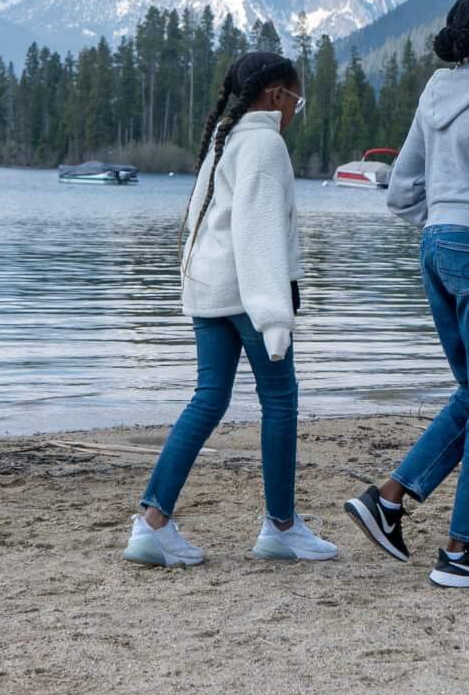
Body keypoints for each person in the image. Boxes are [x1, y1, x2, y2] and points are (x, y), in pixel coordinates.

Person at [343, 0, 469, 589]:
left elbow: (401, 193)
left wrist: (442, 224)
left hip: (434, 245)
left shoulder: (434, 94)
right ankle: (460, 552)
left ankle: (389, 498)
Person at [124, 50, 339, 568]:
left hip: (210, 290)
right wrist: (274, 317)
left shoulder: (228, 138)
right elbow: (256, 232)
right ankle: (281, 527)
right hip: (247, 294)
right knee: (281, 399)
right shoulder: (264, 143)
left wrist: (192, 285)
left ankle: (153, 523)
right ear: (275, 95)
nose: (295, 110)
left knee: (208, 399)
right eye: (296, 99)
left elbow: (206, 222)